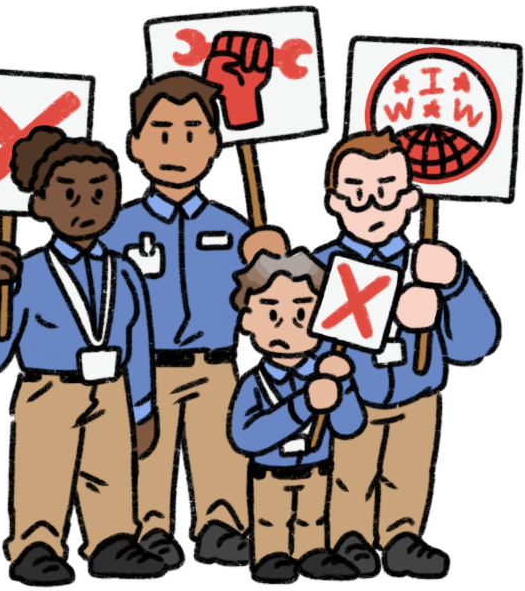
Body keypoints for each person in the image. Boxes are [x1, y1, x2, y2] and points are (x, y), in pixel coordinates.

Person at [245, 127, 498, 574]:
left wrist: (453, 287)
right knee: (349, 474)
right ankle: (350, 536)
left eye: (386, 192)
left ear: (410, 197)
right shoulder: (318, 268)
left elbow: (476, 345)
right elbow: (289, 331)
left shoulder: (429, 265)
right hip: (352, 397)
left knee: (408, 473)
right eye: (357, 194)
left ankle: (402, 535)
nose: (373, 207)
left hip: (419, 395)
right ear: (335, 201)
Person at [100, 71, 284, 566]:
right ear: (136, 146)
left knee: (222, 447)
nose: (175, 146)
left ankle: (222, 525)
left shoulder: (233, 228)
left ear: (213, 144)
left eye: (191, 132)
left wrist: (270, 260)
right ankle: (151, 527)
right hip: (147, 366)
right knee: (147, 453)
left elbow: (265, 302)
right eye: (161, 132)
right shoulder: (117, 228)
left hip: (216, 363)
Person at [0, 126, 164, 581]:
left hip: (113, 389)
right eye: (69, 195)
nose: (86, 207)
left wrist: (143, 408)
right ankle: (36, 544)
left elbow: (139, 345)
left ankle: (113, 539)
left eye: (100, 194)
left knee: (113, 473)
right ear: (39, 204)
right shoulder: (26, 273)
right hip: (48, 390)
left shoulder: (126, 272)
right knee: (43, 472)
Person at [229, 251, 367, 579]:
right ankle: (272, 554)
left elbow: (350, 426)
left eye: (302, 313)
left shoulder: (326, 374)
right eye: (272, 312)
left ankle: (313, 550)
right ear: (248, 319)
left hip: (316, 469)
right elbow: (245, 436)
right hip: (270, 473)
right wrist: (304, 404)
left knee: (313, 520)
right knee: (270, 521)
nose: (287, 326)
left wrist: (343, 386)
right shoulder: (254, 384)